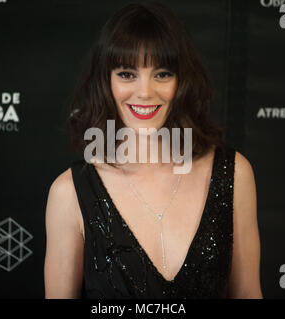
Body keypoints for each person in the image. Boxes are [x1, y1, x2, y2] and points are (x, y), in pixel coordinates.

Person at [44, 2, 262, 299]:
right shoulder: (69, 192)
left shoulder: (233, 174)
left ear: (181, 81)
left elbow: (248, 293)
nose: (145, 92)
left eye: (161, 74)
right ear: (106, 81)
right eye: (127, 74)